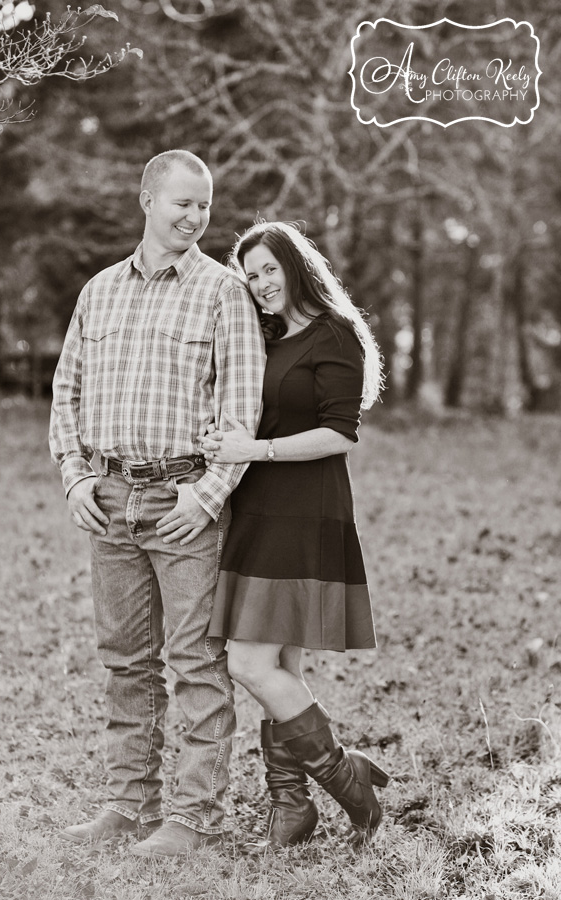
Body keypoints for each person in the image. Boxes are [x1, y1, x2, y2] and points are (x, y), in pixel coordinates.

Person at [49, 150, 266, 858]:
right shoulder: (99, 292)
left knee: (197, 661)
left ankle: (194, 819)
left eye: (203, 205)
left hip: (184, 501)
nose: (194, 216)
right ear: (147, 199)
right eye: (182, 203)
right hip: (108, 498)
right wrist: (77, 477)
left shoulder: (223, 292)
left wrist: (205, 499)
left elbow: (243, 411)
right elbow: (66, 394)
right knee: (125, 662)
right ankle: (130, 805)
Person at [199, 221, 389, 848]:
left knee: (247, 661)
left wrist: (254, 448)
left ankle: (346, 777)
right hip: (256, 507)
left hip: (305, 507)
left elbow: (339, 433)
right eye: (250, 276)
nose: (259, 285)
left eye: (268, 269)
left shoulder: (335, 334)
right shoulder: (266, 337)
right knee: (280, 662)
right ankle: (290, 806)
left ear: (296, 264)